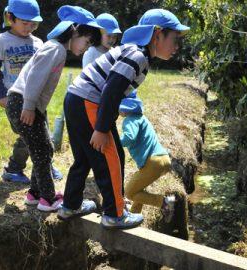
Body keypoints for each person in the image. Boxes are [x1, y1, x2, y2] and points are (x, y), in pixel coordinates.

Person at [57, 9, 189, 229]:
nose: (177, 47)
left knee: (85, 158)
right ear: (157, 35)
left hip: (76, 99)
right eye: (174, 39)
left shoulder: (134, 52)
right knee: (112, 157)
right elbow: (111, 90)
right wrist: (101, 129)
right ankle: (115, 214)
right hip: (88, 101)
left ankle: (71, 205)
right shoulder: (137, 55)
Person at [5, 5, 101, 212]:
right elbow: (34, 77)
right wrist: (30, 106)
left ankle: (36, 193)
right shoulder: (54, 48)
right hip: (23, 102)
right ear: (75, 31)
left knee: (43, 148)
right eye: (87, 41)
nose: (86, 47)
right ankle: (47, 199)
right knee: (42, 150)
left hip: (29, 104)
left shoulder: (57, 49)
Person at [0, 0, 63, 183]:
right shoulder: (1, 41)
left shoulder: (38, 43)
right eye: (25, 23)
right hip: (14, 98)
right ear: (10, 18)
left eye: (34, 24)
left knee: (42, 133)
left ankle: (44, 164)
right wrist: (1, 94)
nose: (29, 27)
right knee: (27, 134)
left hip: (36, 99)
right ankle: (16, 168)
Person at [118, 91, 175, 223]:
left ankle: (165, 203)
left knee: (129, 193)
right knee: (138, 189)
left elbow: (129, 138)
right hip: (163, 158)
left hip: (153, 162)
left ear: (123, 108)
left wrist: (113, 141)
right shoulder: (142, 118)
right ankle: (134, 214)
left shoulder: (129, 120)